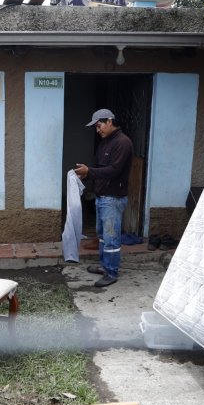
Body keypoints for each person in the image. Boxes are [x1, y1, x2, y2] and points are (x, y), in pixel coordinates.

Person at [74, 108, 133, 287]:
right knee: (102, 235)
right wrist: (87, 174)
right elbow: (99, 167)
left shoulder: (123, 143)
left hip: (113, 198)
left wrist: (89, 171)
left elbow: (114, 171)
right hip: (102, 196)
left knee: (111, 237)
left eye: (99, 125)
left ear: (109, 121)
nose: (97, 130)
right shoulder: (105, 142)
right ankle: (104, 266)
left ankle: (111, 272)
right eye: (96, 127)